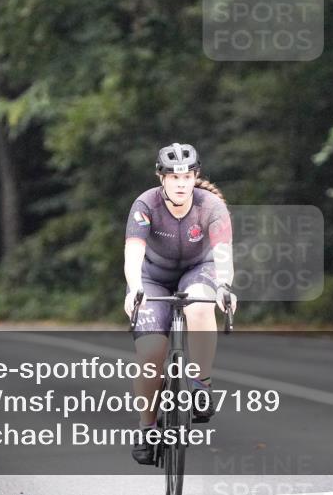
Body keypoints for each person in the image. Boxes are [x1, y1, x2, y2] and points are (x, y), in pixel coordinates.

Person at [123, 142, 238, 465]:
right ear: (161, 178)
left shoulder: (211, 206)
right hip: (152, 278)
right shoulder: (146, 204)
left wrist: (225, 286)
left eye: (187, 176)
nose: (181, 183)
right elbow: (133, 252)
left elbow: (223, 254)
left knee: (200, 305)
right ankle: (147, 428)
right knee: (150, 354)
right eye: (174, 177)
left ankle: (201, 384)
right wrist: (134, 288)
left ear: (195, 176)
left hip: (198, 270)